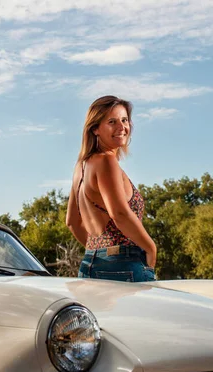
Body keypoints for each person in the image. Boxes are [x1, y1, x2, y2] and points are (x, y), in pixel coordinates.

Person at [66, 95, 157, 282]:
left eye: (124, 120)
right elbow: (120, 213)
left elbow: (72, 221)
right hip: (124, 265)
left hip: (89, 265)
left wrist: (99, 252)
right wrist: (150, 248)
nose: (121, 127)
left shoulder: (81, 167)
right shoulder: (106, 161)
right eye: (112, 122)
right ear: (95, 129)